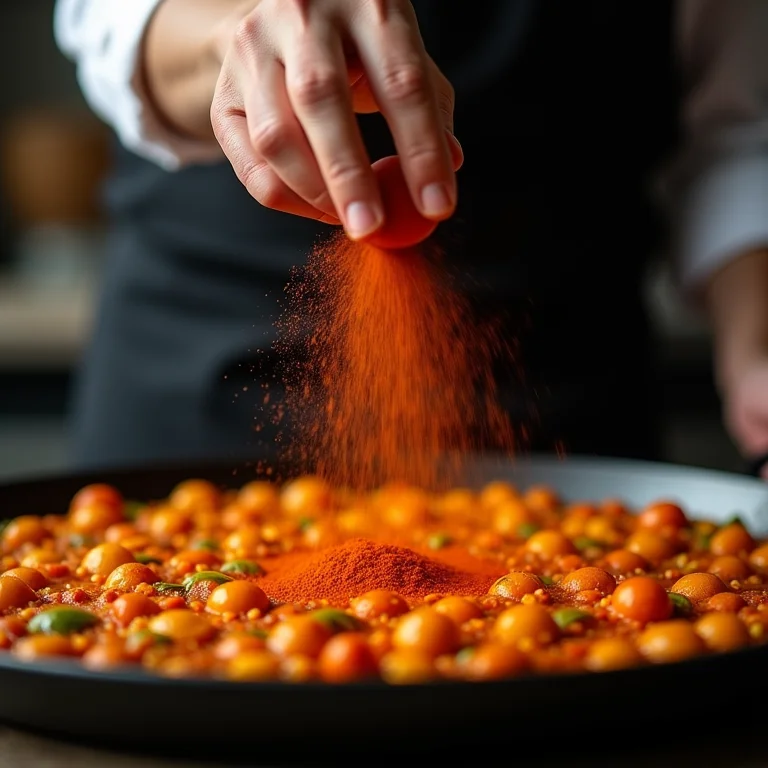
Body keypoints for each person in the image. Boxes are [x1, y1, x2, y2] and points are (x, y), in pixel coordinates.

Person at [53, 0, 768, 476]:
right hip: (197, 391)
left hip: (570, 423)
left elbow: (734, 132)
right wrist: (232, 37)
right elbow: (110, 20)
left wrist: (756, 345)